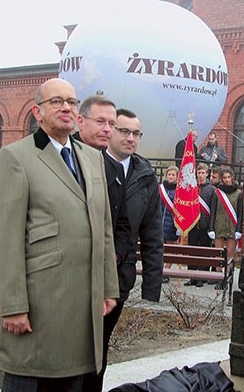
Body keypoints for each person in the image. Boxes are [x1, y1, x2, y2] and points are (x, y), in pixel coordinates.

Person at [0, 78, 118, 391]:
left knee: (73, 378)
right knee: (30, 375)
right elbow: (7, 240)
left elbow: (103, 227)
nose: (66, 108)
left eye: (72, 102)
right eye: (56, 102)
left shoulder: (91, 158)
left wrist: (108, 286)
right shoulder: (17, 158)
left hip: (82, 301)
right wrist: (13, 305)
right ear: (38, 111)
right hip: (40, 300)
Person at [96, 108, 164, 386]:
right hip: (83, 273)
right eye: (124, 131)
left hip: (120, 278)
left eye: (136, 133)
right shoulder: (89, 164)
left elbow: (152, 234)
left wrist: (152, 285)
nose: (131, 138)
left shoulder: (145, 175)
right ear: (110, 130)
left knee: (100, 349)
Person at [76, 95, 138, 392]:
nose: (107, 129)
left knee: (96, 354)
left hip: (107, 280)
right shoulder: (65, 159)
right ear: (80, 121)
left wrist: (114, 255)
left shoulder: (112, 170)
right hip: (68, 276)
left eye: (111, 124)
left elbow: (123, 224)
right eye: (100, 122)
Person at [208, 166, 243, 287]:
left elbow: (240, 213)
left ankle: (227, 278)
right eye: (225, 177)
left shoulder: (239, 194)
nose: (227, 179)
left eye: (229, 177)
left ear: (232, 178)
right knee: (218, 254)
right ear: (222, 179)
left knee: (229, 254)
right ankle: (219, 279)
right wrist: (211, 228)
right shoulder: (217, 193)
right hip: (219, 226)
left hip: (232, 227)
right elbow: (213, 211)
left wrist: (239, 229)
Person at [185, 162, 216, 287]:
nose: (201, 175)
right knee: (192, 251)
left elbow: (213, 210)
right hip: (193, 224)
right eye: (199, 172)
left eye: (203, 172)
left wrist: (211, 227)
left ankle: (202, 276)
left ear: (207, 174)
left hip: (205, 225)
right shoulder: (191, 187)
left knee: (204, 251)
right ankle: (192, 276)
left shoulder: (212, 189)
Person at [159, 165, 179, 278]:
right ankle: (159, 269)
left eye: (173, 175)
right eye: (169, 174)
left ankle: (167, 271)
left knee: (170, 248)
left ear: (177, 177)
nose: (171, 177)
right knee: (159, 248)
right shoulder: (160, 188)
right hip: (160, 222)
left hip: (172, 223)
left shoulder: (179, 190)